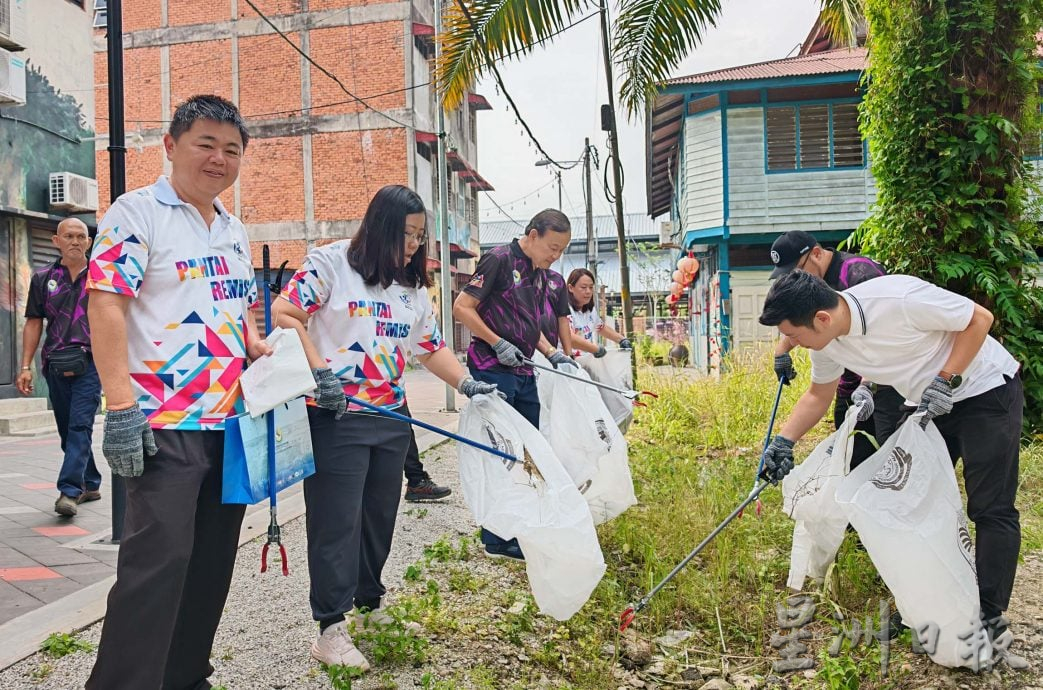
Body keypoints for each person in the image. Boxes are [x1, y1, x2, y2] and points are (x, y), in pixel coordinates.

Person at [85, 95, 272, 690]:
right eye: (206, 144)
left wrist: (258, 347)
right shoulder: (135, 213)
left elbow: (235, 312)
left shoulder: (234, 230)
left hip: (229, 423)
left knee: (212, 563)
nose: (219, 159)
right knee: (156, 566)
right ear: (170, 146)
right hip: (162, 424)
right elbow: (107, 302)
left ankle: (185, 675)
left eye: (232, 149)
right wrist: (119, 406)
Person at [273, 184, 500, 672]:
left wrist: (467, 385)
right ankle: (330, 628)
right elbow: (286, 313)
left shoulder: (411, 288)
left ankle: (370, 607)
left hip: (391, 418)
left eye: (421, 236)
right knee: (337, 523)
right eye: (407, 234)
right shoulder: (330, 264)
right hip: (337, 414)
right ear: (379, 226)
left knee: (378, 517)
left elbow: (430, 346)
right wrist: (319, 371)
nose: (415, 245)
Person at [758, 271, 1024, 653]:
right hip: (926, 404)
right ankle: (920, 608)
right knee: (908, 503)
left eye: (794, 336)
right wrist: (782, 442)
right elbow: (818, 395)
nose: (792, 344)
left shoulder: (897, 298)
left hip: (986, 391)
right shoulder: (824, 341)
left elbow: (979, 318)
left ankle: (989, 616)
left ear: (822, 318)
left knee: (990, 506)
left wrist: (946, 378)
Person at [453, 209, 573, 561]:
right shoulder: (499, 260)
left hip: (523, 369)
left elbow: (529, 324)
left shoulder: (539, 274)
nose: (555, 256)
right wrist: (495, 341)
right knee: (503, 452)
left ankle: (519, 526)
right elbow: (463, 307)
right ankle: (497, 537)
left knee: (527, 451)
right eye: (552, 247)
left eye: (561, 250)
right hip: (493, 367)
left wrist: (552, 353)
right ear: (533, 235)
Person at [768, 230, 902, 468]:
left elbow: (884, 333)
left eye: (796, 271)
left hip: (887, 381)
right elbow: (798, 320)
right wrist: (782, 350)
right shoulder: (810, 286)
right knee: (848, 458)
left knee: (889, 459)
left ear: (816, 254)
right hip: (848, 383)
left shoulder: (860, 274)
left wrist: (868, 383)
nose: (793, 279)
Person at [18, 218, 102, 517]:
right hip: (55, 362)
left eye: (82, 236)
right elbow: (33, 321)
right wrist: (25, 365)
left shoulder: (101, 275)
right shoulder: (43, 278)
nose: (76, 241)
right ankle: (90, 482)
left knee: (80, 424)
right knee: (68, 430)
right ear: (57, 241)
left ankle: (69, 491)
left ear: (89, 243)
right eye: (69, 236)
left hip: (92, 362)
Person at [564, 267, 630, 357]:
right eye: (583, 287)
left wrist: (621, 340)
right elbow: (568, 337)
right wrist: (594, 349)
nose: (588, 291)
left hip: (585, 360)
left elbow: (600, 327)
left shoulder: (589, 310)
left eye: (591, 287)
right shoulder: (565, 309)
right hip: (567, 362)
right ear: (571, 288)